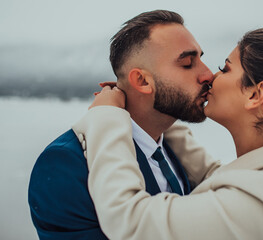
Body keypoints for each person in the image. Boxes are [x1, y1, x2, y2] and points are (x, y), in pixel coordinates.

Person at [73, 27, 263, 240]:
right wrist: (160, 110)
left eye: (225, 68)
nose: (210, 76)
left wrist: (107, 117)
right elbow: (219, 178)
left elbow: (128, 220)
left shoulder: (261, 203)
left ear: (256, 94)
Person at [28, 10, 214, 239]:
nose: (208, 74)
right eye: (187, 63)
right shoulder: (64, 164)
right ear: (142, 81)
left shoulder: (174, 149)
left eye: (201, 59)